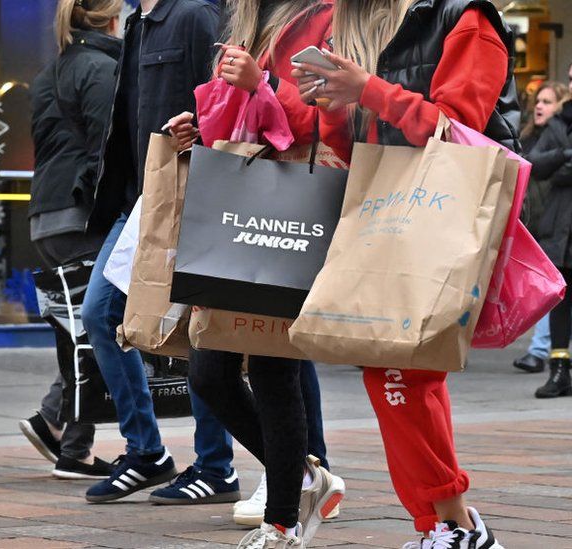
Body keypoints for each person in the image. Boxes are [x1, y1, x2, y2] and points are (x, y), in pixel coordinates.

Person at [288, 0, 518, 546]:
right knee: (404, 369)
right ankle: (452, 525)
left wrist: (366, 88)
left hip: (447, 213)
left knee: (399, 369)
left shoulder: (466, 18)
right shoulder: (381, 24)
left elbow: (460, 131)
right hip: (395, 210)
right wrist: (333, 104)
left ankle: (451, 524)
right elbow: (362, 145)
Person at [166, 1, 345, 546]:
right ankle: (308, 476)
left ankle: (283, 522)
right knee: (209, 373)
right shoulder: (247, 19)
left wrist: (262, 85)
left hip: (292, 203)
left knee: (273, 370)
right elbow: (242, 123)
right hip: (244, 205)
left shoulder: (328, 16)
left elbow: (334, 116)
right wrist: (200, 128)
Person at [79, 0, 228, 505]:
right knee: (100, 312)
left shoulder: (193, 14)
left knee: (199, 325)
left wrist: (202, 137)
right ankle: (147, 453)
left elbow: (226, 105)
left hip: (190, 195)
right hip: (143, 199)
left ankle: (216, 465)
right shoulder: (140, 21)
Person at [19, 0, 121, 481]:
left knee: (76, 331)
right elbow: (107, 148)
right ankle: (74, 449)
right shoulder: (101, 69)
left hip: (48, 214)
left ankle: (54, 422)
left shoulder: (53, 70)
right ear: (113, 18)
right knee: (94, 333)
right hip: (82, 217)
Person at [511, 81, 569, 375]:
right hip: (541, 220)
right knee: (553, 289)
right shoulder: (534, 135)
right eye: (539, 100)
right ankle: (545, 354)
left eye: (548, 101)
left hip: (554, 219)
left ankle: (540, 351)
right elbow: (533, 165)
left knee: (554, 289)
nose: (540, 106)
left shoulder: (558, 130)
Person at [528, 82, 572, 399]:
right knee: (561, 302)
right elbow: (537, 164)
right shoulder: (559, 122)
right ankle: (559, 372)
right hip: (561, 224)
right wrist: (566, 154)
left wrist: (560, 165)